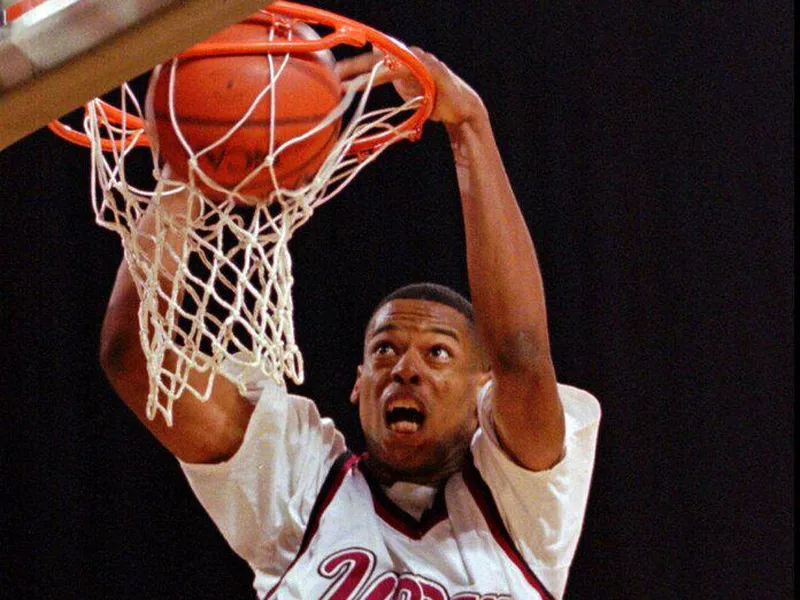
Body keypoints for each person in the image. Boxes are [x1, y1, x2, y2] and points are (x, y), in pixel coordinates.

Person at [100, 47, 601, 599]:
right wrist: (192, 166)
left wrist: (471, 127)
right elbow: (137, 361)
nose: (405, 368)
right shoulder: (304, 489)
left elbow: (522, 354)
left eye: (438, 353)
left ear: (484, 393)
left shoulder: (522, 508)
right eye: (384, 351)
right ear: (359, 384)